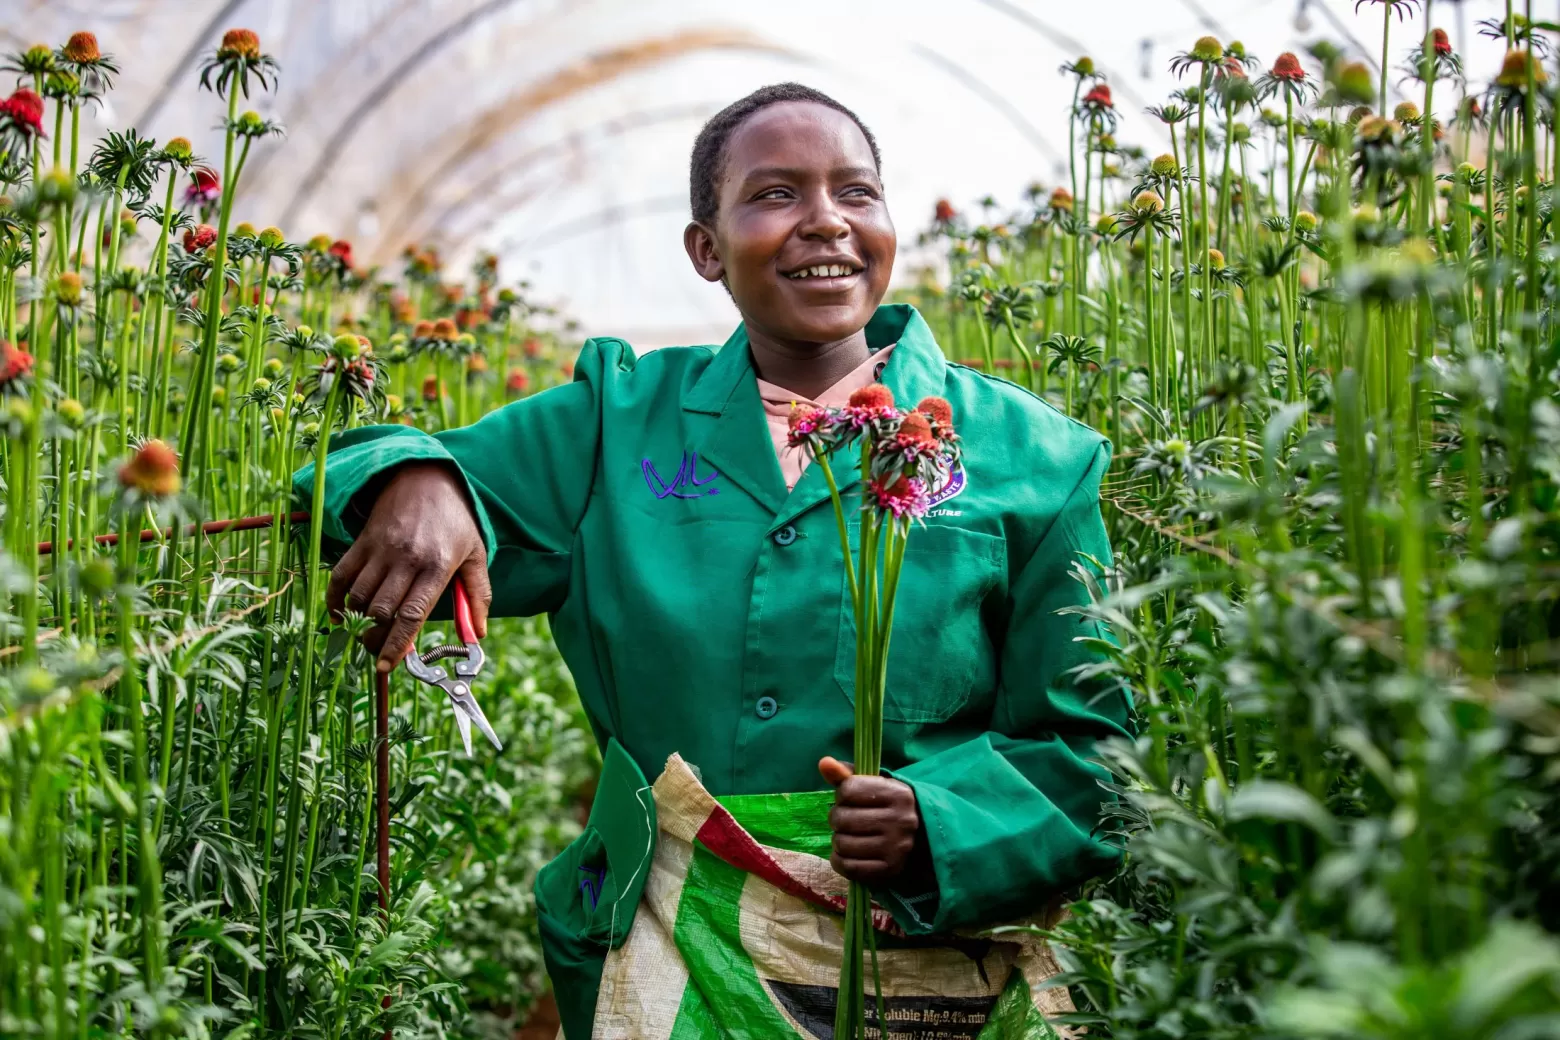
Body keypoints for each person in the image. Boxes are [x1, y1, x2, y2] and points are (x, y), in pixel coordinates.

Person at [296, 82, 1132, 1038]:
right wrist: (421, 478)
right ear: (706, 248)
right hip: (667, 940)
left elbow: (1094, 754)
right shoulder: (616, 423)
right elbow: (349, 471)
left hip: (932, 961)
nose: (826, 222)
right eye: (776, 195)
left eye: (856, 193)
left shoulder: (1035, 459)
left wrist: (941, 825)